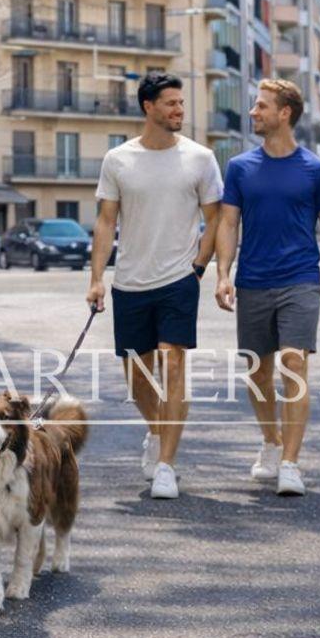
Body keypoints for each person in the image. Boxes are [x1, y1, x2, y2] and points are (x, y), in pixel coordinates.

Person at [87, 73, 223, 500]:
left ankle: (166, 465)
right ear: (148, 107)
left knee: (174, 364)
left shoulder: (200, 158)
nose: (179, 110)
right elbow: (106, 222)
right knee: (137, 378)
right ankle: (157, 430)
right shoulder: (118, 160)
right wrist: (96, 279)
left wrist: (199, 267)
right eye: (171, 103)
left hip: (178, 279)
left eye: (181, 103)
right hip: (130, 282)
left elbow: (216, 219)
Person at [214, 78, 320, 496]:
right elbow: (228, 223)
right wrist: (223, 274)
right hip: (253, 281)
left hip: (300, 279)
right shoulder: (240, 168)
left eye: (261, 106)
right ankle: (271, 442)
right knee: (258, 372)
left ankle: (290, 463)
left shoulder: (316, 170)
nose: (253, 112)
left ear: (284, 113)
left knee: (294, 363)